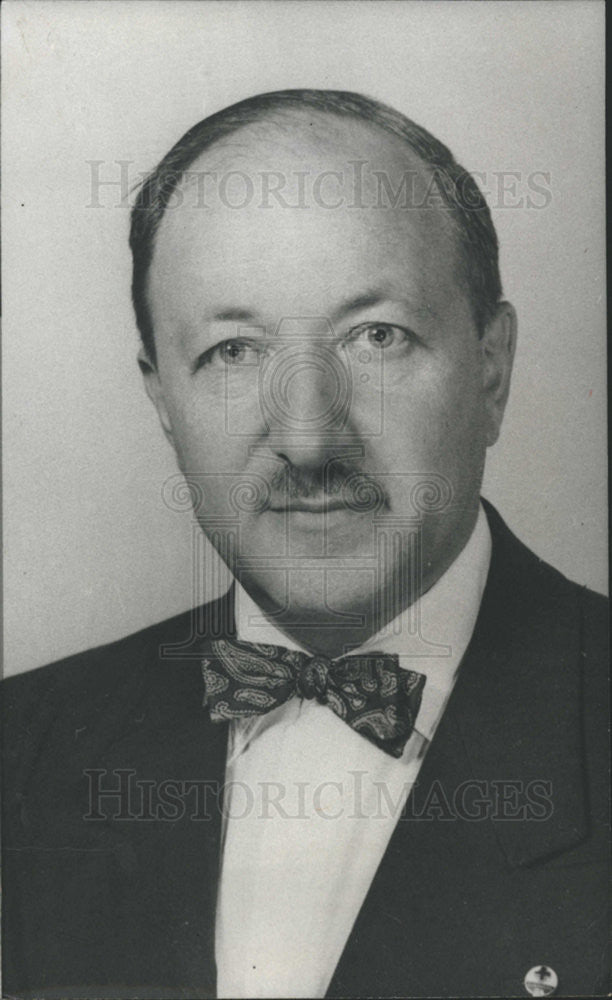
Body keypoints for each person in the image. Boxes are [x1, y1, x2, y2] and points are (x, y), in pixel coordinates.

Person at [2, 90, 608, 1000]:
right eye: (234, 351)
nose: (310, 437)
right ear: (162, 400)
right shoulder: (21, 752)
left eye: (377, 336)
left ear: (492, 368)